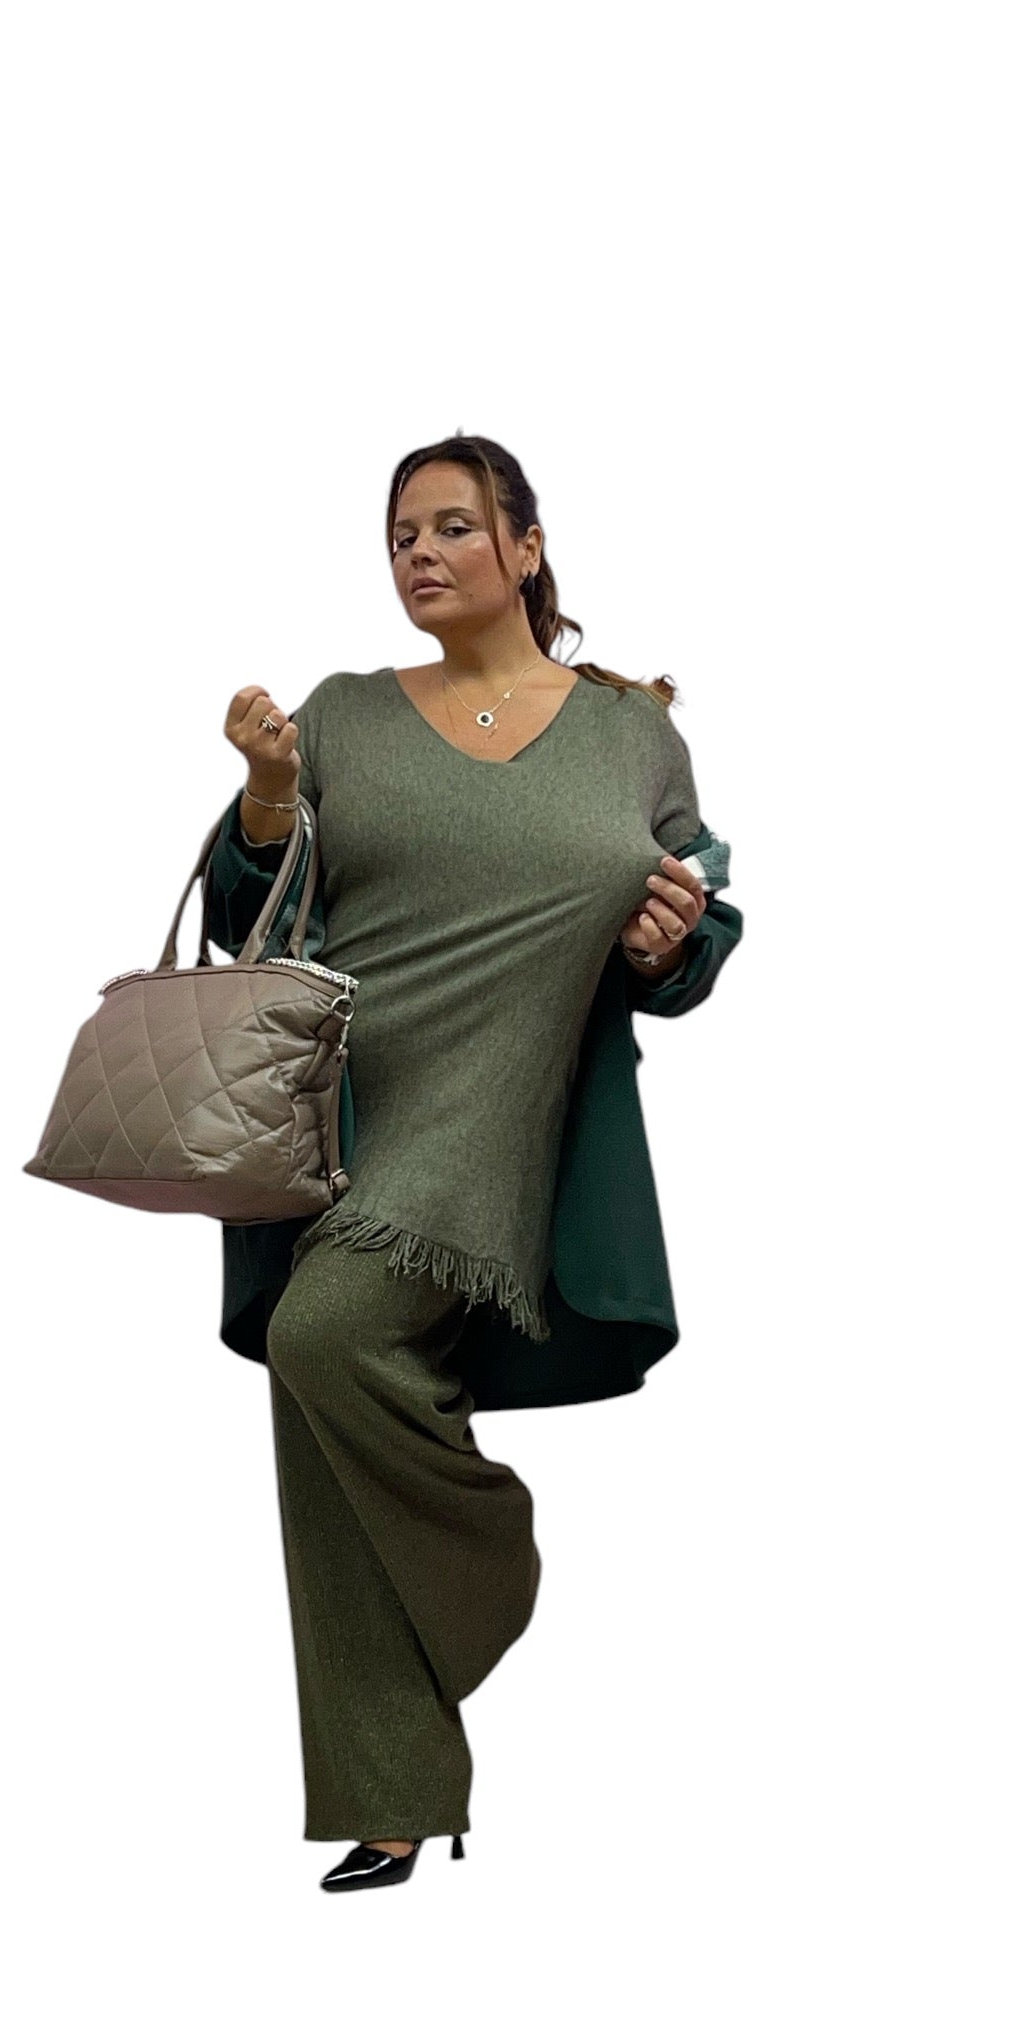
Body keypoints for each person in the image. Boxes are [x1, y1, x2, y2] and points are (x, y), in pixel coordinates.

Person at [202, 434, 744, 1893]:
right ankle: (391, 1802)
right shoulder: (342, 715)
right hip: (339, 1122)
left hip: (507, 1134)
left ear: (525, 544)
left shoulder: (632, 733)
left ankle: (491, 1559)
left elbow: (697, 917)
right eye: (400, 537)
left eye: (451, 526)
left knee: (327, 1340)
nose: (420, 555)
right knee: (329, 1421)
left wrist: (673, 942)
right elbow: (253, 908)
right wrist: (266, 792)